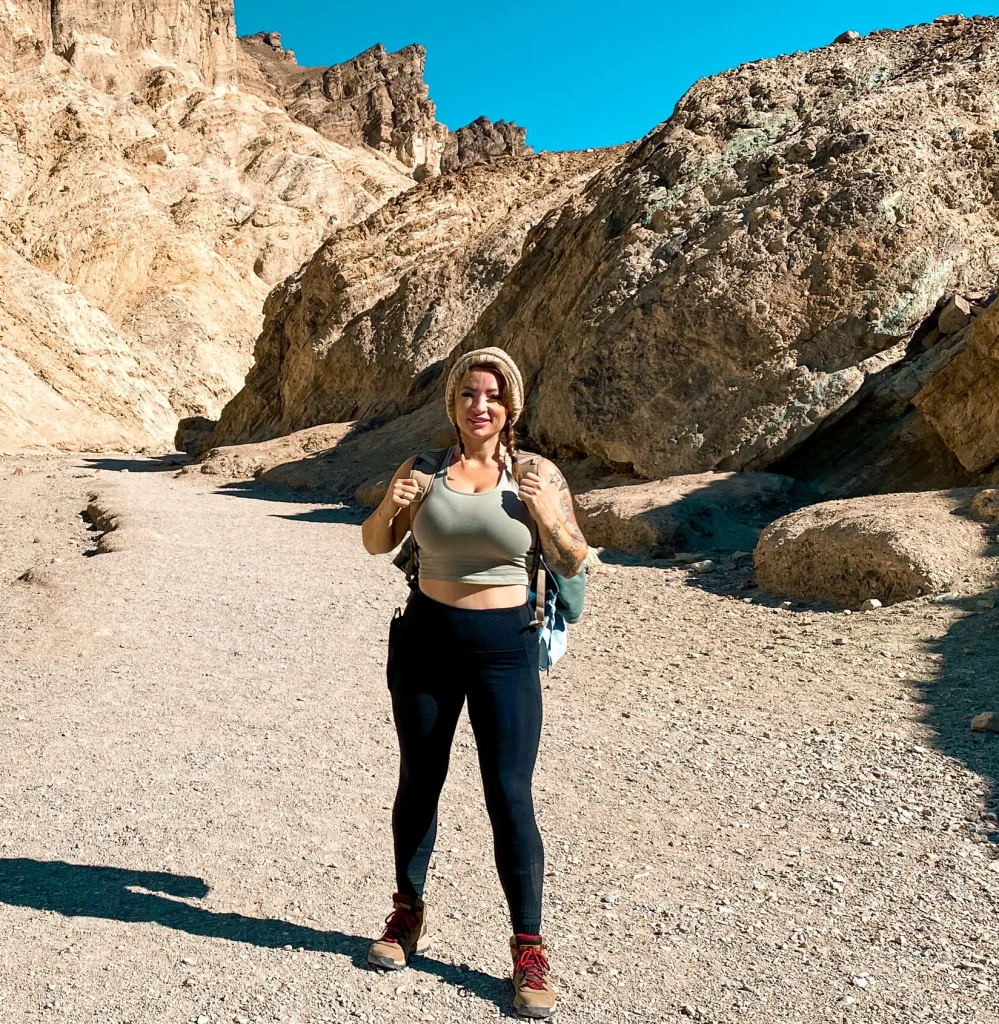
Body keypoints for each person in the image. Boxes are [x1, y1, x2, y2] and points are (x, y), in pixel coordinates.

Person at [360, 347, 588, 1019]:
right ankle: (405, 916)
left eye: (490, 395)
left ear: (509, 406)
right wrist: (390, 505)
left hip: (504, 650)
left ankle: (528, 948)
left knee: (509, 797)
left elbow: (576, 557)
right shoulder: (423, 470)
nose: (477, 405)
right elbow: (375, 544)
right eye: (466, 394)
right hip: (425, 642)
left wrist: (546, 515)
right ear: (452, 405)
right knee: (418, 780)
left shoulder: (536, 473)